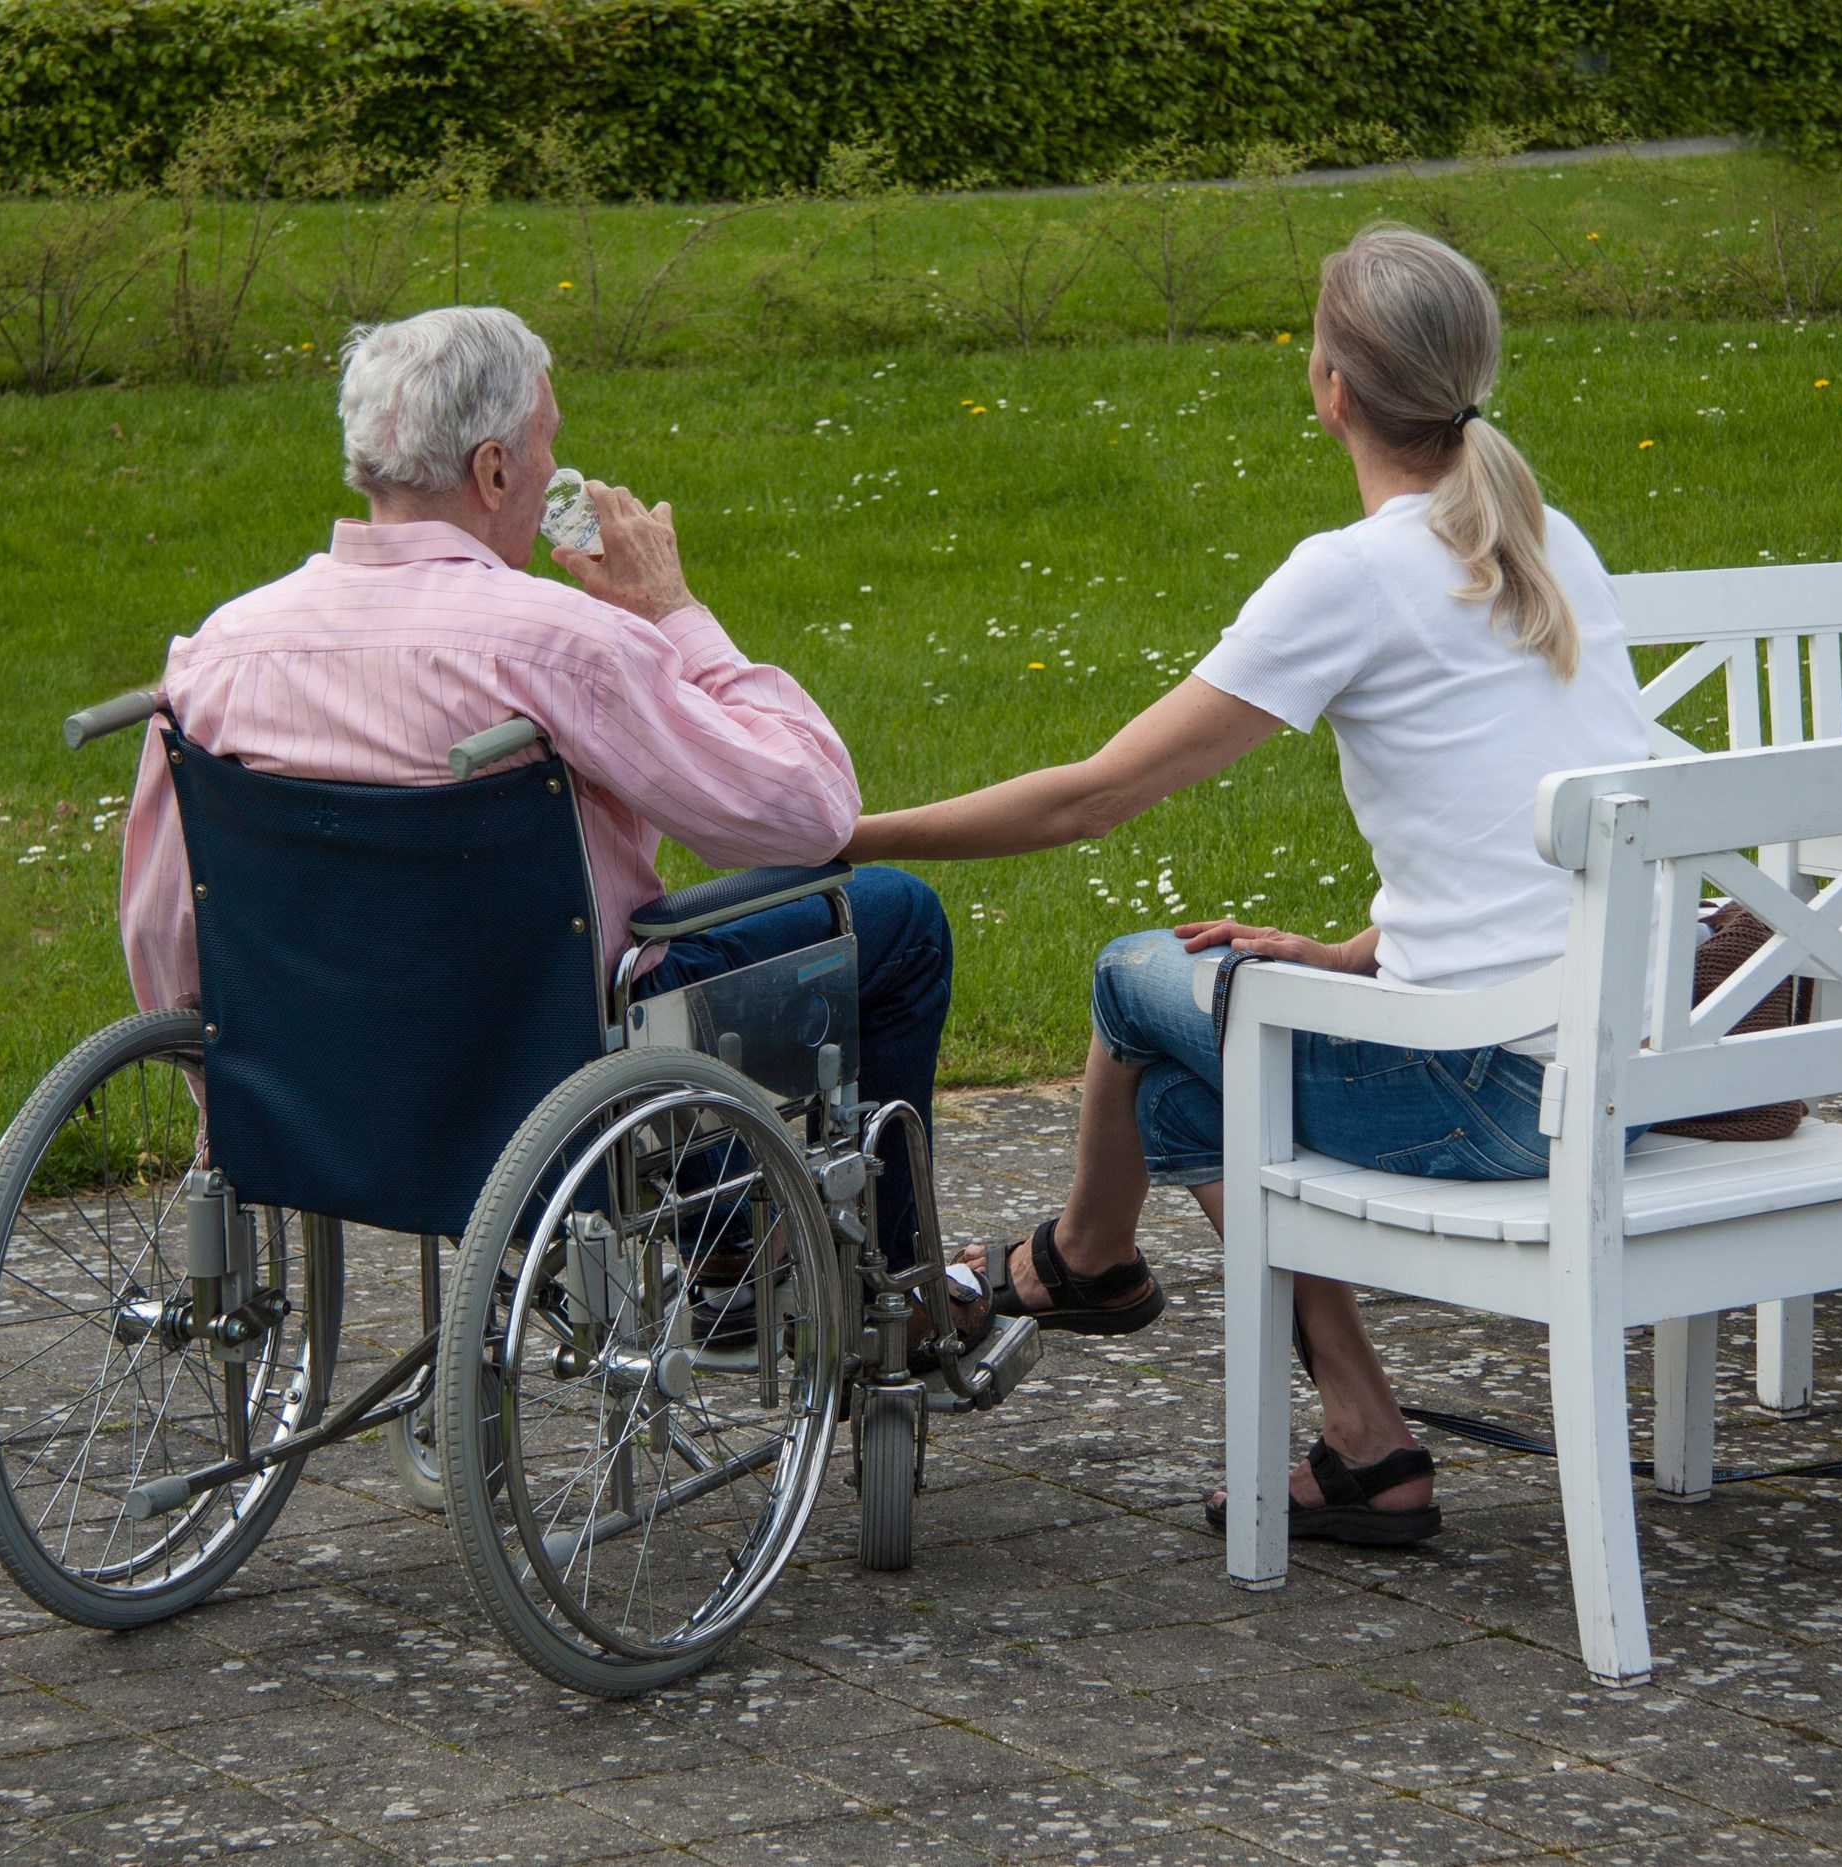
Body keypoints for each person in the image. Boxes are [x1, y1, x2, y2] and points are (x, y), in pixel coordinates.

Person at [840, 227, 1650, 1545]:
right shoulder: (1551, 539)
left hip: (1499, 1098)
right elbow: (1513, 807)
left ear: (1330, 386)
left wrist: (859, 833)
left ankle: (1086, 1258)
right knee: (1189, 1081)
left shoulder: (1355, 573)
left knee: (1130, 971)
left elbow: (1095, 796)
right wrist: (1350, 952)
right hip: (1611, 1061)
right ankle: (1366, 1444)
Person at [119, 306, 954, 1294]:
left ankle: (738, 1237)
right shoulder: (555, 642)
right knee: (895, 918)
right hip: (546, 1070)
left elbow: (165, 920)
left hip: (311, 1072)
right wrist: (675, 616)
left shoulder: (224, 649)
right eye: (548, 442)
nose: (556, 468)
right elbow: (806, 810)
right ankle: (870, 1279)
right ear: (496, 471)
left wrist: (226, 1072)